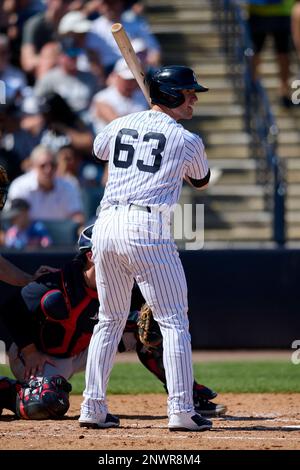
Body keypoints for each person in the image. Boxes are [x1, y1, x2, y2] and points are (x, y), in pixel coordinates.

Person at [79, 65, 212, 432]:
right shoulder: (186, 139)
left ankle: (92, 406)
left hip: (105, 225)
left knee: (109, 319)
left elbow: (99, 149)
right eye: (187, 93)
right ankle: (182, 410)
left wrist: (139, 124)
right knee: (173, 322)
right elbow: (201, 181)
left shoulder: (120, 122)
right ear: (170, 96)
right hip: (147, 227)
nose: (194, 98)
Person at [0, 224, 226, 420]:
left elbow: (150, 321)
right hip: (39, 358)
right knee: (50, 401)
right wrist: (29, 352)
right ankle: (9, 388)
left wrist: (146, 322)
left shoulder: (123, 284)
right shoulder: (57, 283)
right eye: (111, 252)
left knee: (148, 330)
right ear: (90, 255)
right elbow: (11, 309)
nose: (120, 258)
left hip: (83, 350)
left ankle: (188, 394)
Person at [0, 165, 56, 286]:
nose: (14, 219)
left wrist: (29, 279)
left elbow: (47, 244)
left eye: (17, 215)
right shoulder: (11, 231)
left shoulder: (37, 227)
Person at [247, 0, 295, 107]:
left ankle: (283, 91)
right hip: (261, 12)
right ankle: (254, 88)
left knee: (283, 54)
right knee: (255, 52)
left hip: (280, 13)